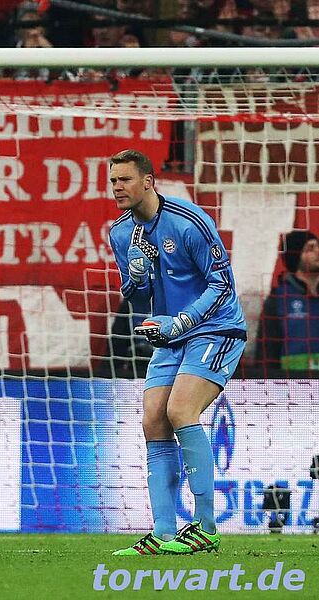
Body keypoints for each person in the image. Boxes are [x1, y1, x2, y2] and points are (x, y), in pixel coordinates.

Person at [107, 149, 246, 556]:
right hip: (170, 337)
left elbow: (222, 285)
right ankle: (164, 532)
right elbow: (138, 298)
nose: (117, 188)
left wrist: (183, 321)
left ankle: (205, 527)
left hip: (215, 328)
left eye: (125, 179)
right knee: (153, 420)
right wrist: (135, 281)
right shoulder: (121, 233)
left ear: (148, 181)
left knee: (180, 410)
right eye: (113, 181)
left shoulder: (189, 221)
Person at [255, 230, 319, 371]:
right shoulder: (278, 300)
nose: (318, 251)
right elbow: (266, 354)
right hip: (293, 382)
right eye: (310, 248)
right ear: (296, 256)